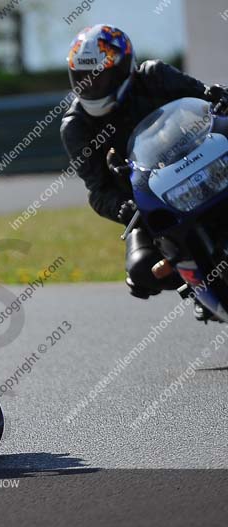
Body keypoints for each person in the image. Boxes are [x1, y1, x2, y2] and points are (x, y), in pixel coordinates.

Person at [60, 24, 228, 318]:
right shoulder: (76, 127)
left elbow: (206, 100)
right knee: (142, 271)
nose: (90, 85)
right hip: (149, 201)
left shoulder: (155, 76)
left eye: (98, 76)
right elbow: (98, 191)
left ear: (124, 68)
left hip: (202, 164)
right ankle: (196, 284)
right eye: (83, 78)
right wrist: (123, 208)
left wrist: (220, 97)